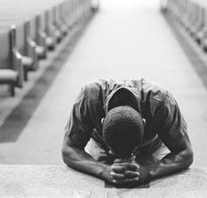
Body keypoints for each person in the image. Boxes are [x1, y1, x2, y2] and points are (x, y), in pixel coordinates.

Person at [62, 78, 194, 187]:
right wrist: (103, 170)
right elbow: (69, 148)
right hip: (102, 145)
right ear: (102, 123)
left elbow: (185, 152)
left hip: (150, 146)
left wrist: (148, 171)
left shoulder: (161, 102)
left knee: (157, 186)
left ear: (144, 123)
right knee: (96, 186)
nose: (124, 159)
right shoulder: (89, 97)